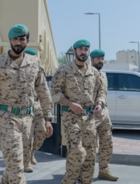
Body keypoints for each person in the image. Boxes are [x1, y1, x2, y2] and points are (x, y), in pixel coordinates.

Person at [0, 24, 54, 183]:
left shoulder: (35, 63)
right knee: (17, 170)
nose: (18, 42)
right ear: (9, 41)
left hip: (28, 119)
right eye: (15, 39)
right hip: (7, 118)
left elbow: (43, 91)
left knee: (18, 164)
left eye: (21, 39)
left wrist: (48, 118)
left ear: (27, 41)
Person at [51, 39, 106, 184]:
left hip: (89, 119)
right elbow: (55, 92)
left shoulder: (94, 72)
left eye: (86, 49)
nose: (83, 52)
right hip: (71, 117)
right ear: (74, 51)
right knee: (77, 151)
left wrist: (100, 103)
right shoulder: (64, 70)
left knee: (90, 153)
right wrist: (69, 103)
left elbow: (101, 91)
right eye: (80, 49)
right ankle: (68, 181)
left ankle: (85, 181)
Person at [90, 49, 119, 181]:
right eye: (98, 59)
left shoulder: (104, 75)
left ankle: (104, 170)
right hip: (90, 114)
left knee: (107, 143)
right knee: (89, 145)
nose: (101, 61)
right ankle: (84, 172)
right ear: (92, 60)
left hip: (104, 114)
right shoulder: (87, 74)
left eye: (102, 58)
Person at [23, 48, 47, 166]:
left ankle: (32, 152)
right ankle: (26, 161)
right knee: (27, 135)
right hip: (25, 105)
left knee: (42, 131)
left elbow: (44, 91)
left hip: (37, 105)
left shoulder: (38, 68)